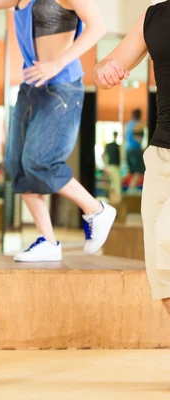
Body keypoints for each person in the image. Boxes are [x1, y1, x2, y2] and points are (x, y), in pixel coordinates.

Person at [0, 0, 116, 262]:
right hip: (31, 87)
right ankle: (49, 241)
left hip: (62, 88)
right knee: (16, 164)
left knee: (40, 161)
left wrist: (57, 62)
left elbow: (98, 27)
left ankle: (96, 210)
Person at [95, 1, 170, 322]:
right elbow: (107, 64)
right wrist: (105, 70)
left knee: (168, 240)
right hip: (160, 155)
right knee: (161, 272)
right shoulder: (154, 16)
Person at [125, 108, 146, 193]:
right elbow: (137, 138)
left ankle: (131, 189)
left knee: (134, 172)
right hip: (135, 150)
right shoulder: (138, 124)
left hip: (128, 150)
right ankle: (131, 190)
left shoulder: (129, 124)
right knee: (139, 171)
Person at [104, 131, 122, 204]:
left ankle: (113, 200)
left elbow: (103, 155)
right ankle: (117, 201)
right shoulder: (116, 146)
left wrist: (105, 165)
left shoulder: (109, 145)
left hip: (110, 166)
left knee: (112, 184)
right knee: (116, 184)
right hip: (114, 166)